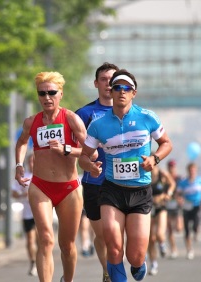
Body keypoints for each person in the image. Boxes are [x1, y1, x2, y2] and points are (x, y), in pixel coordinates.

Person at [79, 69, 173, 282]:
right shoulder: (98, 125)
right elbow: (83, 157)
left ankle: (140, 263)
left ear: (134, 93)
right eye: (117, 88)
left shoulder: (147, 118)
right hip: (112, 191)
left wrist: (154, 159)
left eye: (126, 88)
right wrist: (91, 166)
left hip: (140, 192)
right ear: (110, 92)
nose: (122, 92)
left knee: (135, 255)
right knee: (113, 248)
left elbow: (166, 143)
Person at [15, 71, 90, 282]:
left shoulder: (71, 119)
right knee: (46, 239)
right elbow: (21, 143)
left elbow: (91, 150)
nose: (47, 97)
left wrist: (67, 149)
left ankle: (68, 279)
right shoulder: (32, 122)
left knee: (67, 245)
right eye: (42, 93)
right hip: (41, 186)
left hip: (69, 189)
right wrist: (19, 164)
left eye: (51, 92)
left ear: (60, 94)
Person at [75, 62, 119, 282]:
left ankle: (113, 272)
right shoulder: (84, 114)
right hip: (94, 182)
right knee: (101, 235)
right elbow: (70, 147)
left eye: (113, 80)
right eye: (104, 79)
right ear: (96, 83)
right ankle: (106, 272)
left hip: (121, 182)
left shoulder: (129, 113)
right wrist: (85, 155)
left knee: (115, 235)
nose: (109, 84)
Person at [176, 162, 201, 260]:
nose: (192, 172)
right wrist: (179, 199)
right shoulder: (183, 182)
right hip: (187, 206)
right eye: (190, 170)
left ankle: (196, 232)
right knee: (187, 230)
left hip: (197, 206)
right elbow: (178, 193)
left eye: (194, 170)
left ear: (196, 171)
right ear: (188, 171)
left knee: (195, 227)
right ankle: (189, 250)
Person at [12, 153, 38, 276]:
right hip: (28, 214)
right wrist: (23, 195)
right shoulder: (24, 177)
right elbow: (14, 193)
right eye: (30, 162)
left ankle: (41, 262)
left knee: (42, 240)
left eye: (34, 161)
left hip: (41, 212)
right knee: (30, 240)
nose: (32, 164)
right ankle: (33, 262)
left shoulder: (43, 176)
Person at [147, 164, 175, 276]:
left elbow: (172, 183)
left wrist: (168, 194)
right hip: (148, 208)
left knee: (159, 234)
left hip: (161, 207)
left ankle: (162, 245)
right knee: (150, 239)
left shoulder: (162, 174)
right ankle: (153, 263)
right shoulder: (144, 174)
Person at [165, 159, 183, 259]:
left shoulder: (179, 178)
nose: (172, 168)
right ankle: (173, 249)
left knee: (179, 228)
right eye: (170, 166)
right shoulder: (165, 178)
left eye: (173, 166)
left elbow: (183, 190)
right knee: (169, 230)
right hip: (167, 205)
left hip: (176, 205)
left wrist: (181, 198)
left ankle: (180, 223)